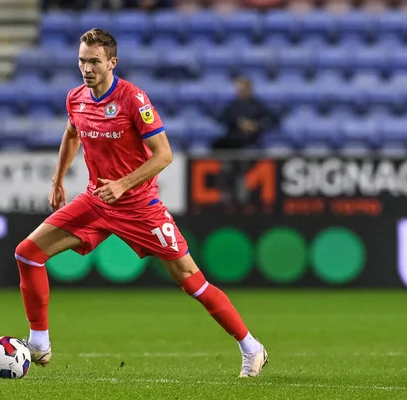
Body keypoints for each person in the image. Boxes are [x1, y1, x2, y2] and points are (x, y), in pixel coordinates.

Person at [15, 28, 268, 378]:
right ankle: (39, 343)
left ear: (112, 62)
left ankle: (251, 347)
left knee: (191, 280)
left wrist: (123, 184)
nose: (86, 68)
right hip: (96, 200)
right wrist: (58, 179)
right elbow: (72, 132)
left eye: (94, 61)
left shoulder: (134, 99)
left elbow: (164, 154)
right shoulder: (76, 98)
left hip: (139, 206)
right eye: (81, 60)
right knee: (27, 252)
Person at [212, 76, 278, 150]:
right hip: (234, 135)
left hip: (253, 136)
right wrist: (239, 123)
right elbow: (223, 119)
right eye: (239, 90)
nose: (240, 92)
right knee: (217, 144)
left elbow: (272, 119)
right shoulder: (233, 105)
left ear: (250, 89)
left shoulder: (258, 105)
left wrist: (256, 125)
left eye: (243, 90)